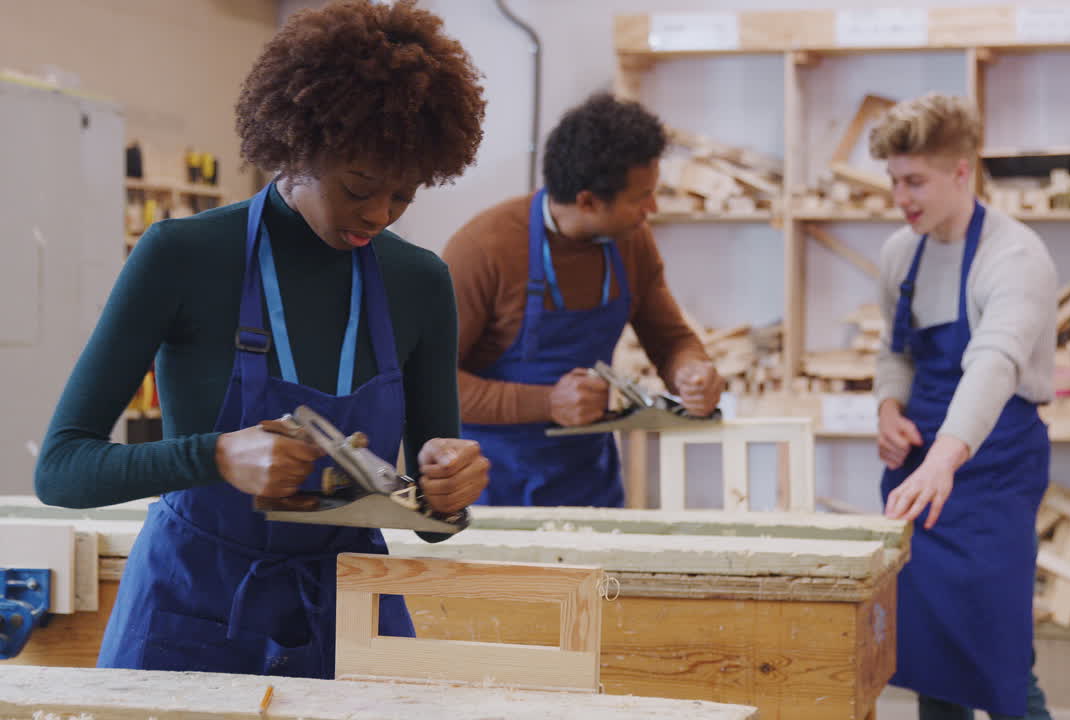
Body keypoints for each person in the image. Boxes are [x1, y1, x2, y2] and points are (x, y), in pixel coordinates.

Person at [33, 0, 489, 679]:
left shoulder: (420, 282)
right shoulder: (182, 255)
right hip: (189, 611)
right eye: (359, 187)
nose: (378, 214)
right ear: (295, 145)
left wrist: (450, 492)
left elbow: (429, 521)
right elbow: (62, 469)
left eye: (404, 195)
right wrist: (214, 455)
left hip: (346, 615)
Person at [870, 93, 1058, 720]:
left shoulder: (1014, 256)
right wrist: (888, 409)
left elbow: (994, 364)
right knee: (933, 657)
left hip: (992, 472)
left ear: (960, 171)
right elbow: (895, 352)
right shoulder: (901, 253)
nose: (901, 197)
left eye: (915, 181)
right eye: (894, 180)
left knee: (1001, 657)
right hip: (921, 474)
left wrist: (943, 462)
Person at [442, 92, 723, 507]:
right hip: (492, 486)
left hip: (589, 483)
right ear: (587, 201)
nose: (652, 207)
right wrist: (547, 403)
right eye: (640, 197)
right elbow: (433, 385)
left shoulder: (631, 241)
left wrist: (691, 372)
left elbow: (671, 339)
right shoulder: (482, 250)